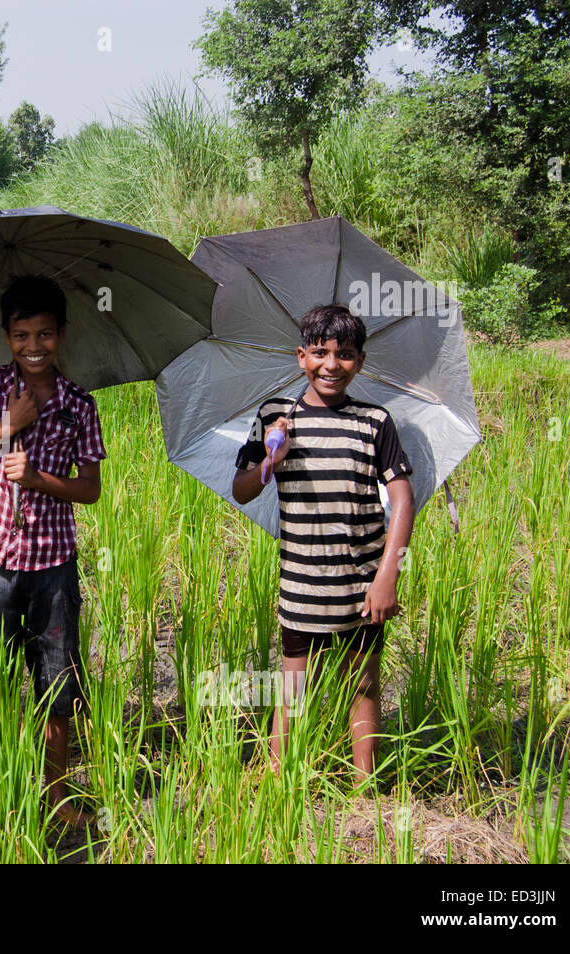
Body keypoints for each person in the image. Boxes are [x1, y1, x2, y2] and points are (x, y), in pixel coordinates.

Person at [231, 303, 415, 781]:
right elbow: (242, 488)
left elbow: (402, 497)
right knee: (293, 685)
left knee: (364, 684)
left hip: (363, 584)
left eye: (345, 354)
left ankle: (364, 788)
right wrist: (272, 458)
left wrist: (388, 575)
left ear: (360, 361)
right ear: (301, 357)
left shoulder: (375, 421)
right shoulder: (275, 416)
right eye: (319, 352)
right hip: (302, 582)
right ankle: (277, 781)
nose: (331, 364)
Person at [0, 275, 106, 828]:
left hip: (52, 564)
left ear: (61, 335)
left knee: (57, 680)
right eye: (21, 335)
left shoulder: (78, 405)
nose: (32, 346)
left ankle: (58, 794)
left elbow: (90, 488)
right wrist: (6, 429)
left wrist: (40, 479)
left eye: (44, 334)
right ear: (6, 336)